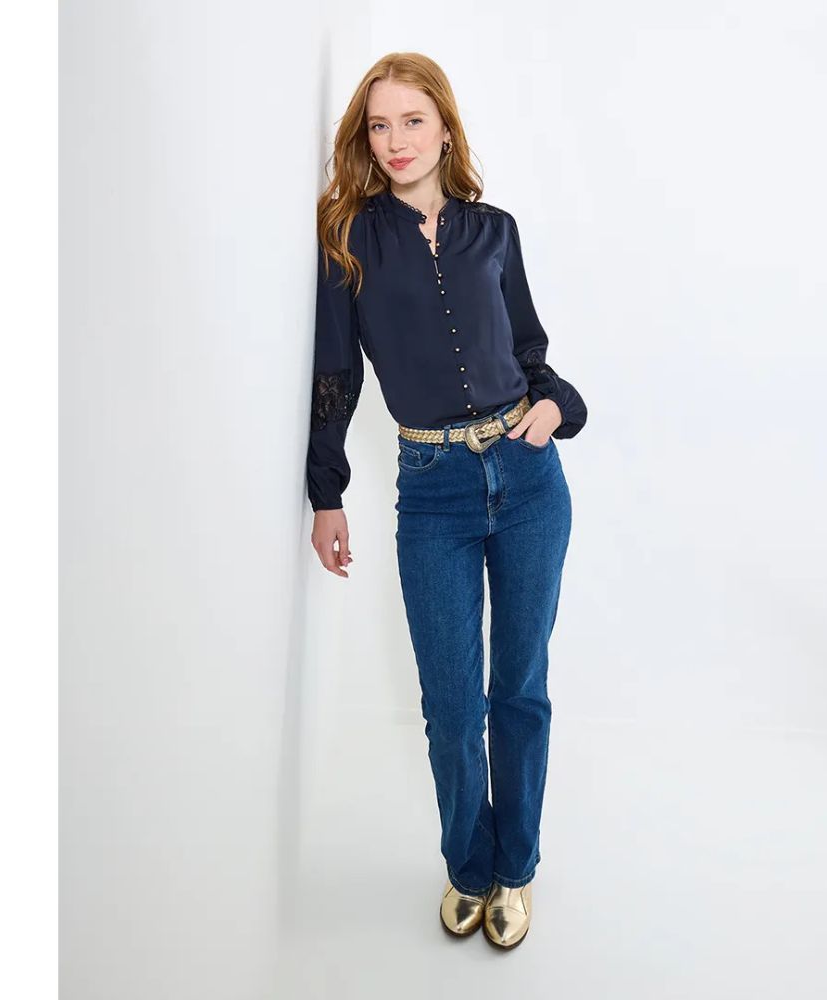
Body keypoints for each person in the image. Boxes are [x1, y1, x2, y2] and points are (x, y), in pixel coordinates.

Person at [306, 52, 587, 950]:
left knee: (520, 690)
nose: (395, 140)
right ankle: (470, 864)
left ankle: (518, 867)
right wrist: (326, 493)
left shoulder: (494, 231)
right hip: (431, 491)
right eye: (379, 125)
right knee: (452, 705)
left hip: (528, 477)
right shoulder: (350, 241)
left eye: (412, 121)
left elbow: (531, 350)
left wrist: (555, 406)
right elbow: (335, 375)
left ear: (445, 128)